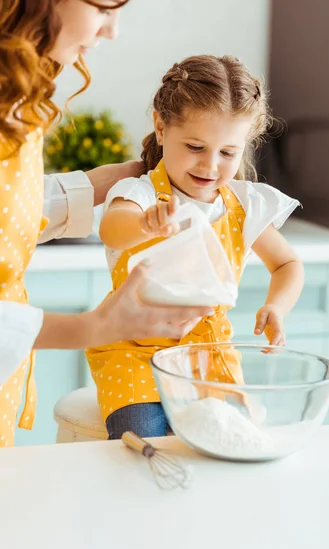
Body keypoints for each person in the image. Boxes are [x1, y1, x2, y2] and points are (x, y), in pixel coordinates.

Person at [0, 1, 212, 448]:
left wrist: (94, 185)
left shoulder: (15, 97)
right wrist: (91, 328)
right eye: (102, 6)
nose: (112, 31)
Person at [86, 54, 305, 439]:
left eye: (227, 153)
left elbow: (287, 263)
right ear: (160, 126)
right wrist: (143, 223)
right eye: (195, 146)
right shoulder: (140, 194)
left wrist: (277, 305)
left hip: (210, 358)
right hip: (137, 355)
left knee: (232, 444)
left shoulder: (244, 204)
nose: (210, 165)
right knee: (143, 439)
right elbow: (112, 231)